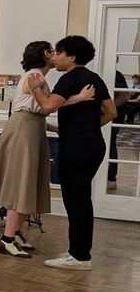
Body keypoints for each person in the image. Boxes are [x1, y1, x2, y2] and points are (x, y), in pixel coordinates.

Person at [0, 42, 93, 257]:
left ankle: (14, 233)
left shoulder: (38, 77)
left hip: (30, 129)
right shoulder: (35, 77)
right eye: (50, 51)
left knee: (27, 182)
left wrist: (51, 127)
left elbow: (37, 110)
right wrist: (78, 98)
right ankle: (8, 238)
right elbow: (47, 104)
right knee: (23, 183)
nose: (55, 54)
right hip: (24, 131)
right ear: (41, 55)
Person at [44, 35, 114, 270]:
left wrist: (34, 86)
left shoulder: (68, 79)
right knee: (81, 198)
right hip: (94, 144)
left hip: (76, 147)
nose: (56, 57)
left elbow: (47, 106)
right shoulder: (94, 78)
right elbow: (111, 111)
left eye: (60, 52)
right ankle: (78, 251)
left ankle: (80, 256)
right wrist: (89, 127)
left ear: (71, 56)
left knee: (76, 200)